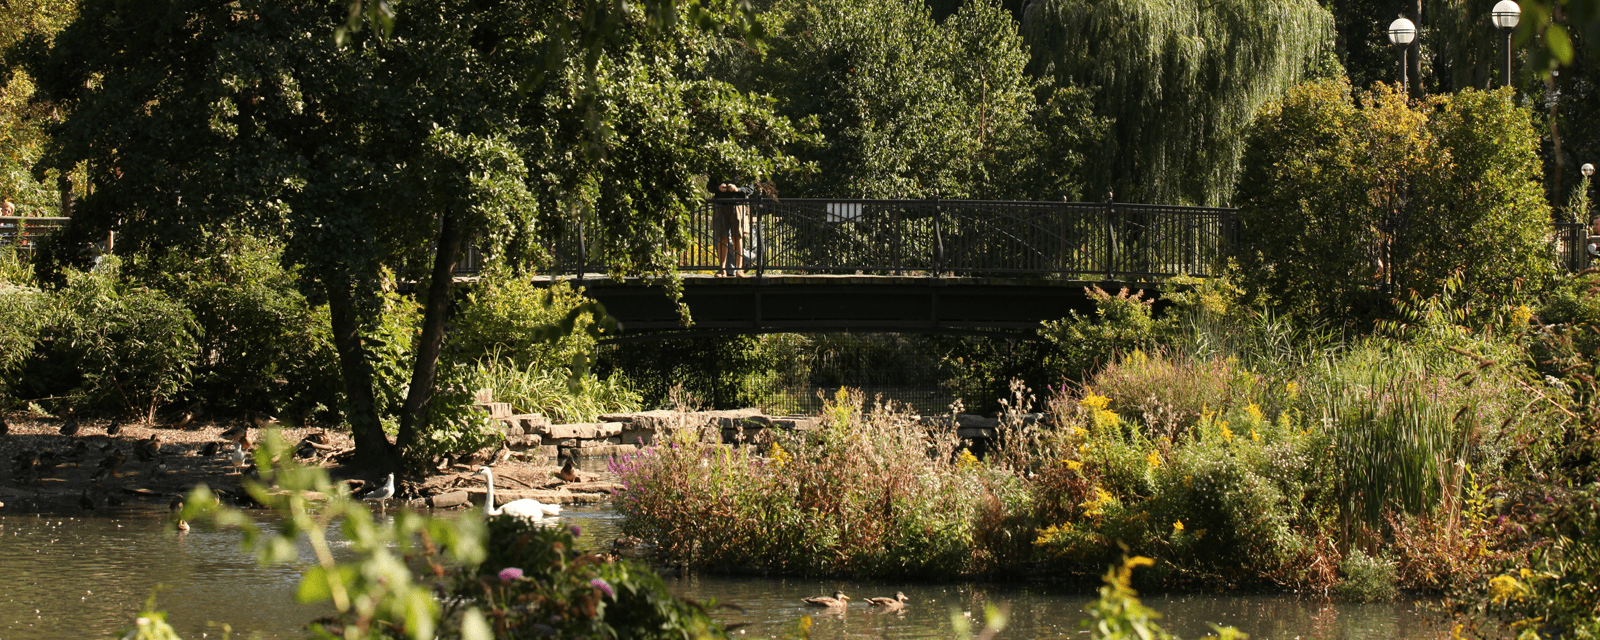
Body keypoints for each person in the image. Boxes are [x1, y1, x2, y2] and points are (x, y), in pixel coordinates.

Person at [711, 179, 751, 276]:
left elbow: (750, 189)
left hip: (737, 205)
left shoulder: (744, 170)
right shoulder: (718, 169)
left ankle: (739, 270)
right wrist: (718, 188)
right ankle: (722, 270)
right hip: (720, 205)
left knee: (737, 238)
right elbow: (710, 186)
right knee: (722, 238)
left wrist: (737, 189)